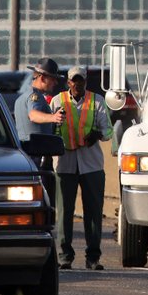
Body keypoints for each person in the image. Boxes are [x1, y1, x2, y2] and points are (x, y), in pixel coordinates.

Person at [51, 66, 112, 271]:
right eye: (73, 81)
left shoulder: (97, 101)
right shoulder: (57, 101)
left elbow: (108, 130)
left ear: (86, 82)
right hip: (65, 163)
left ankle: (93, 257)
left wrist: (97, 134)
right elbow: (50, 128)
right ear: (68, 82)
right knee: (65, 211)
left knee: (93, 212)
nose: (77, 84)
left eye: (81, 81)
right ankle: (64, 256)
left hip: (91, 164)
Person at [14, 57, 65, 206]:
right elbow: (33, 115)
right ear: (42, 78)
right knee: (41, 203)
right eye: (53, 79)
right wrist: (53, 117)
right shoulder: (34, 97)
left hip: (28, 157)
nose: (55, 83)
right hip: (37, 159)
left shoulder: (23, 97)